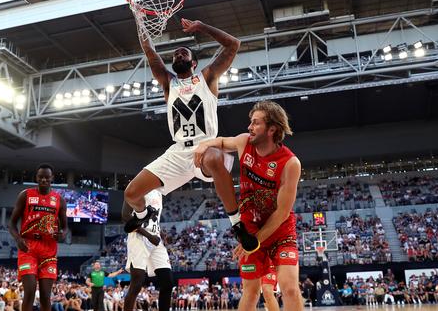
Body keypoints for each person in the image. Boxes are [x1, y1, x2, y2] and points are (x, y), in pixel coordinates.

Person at [123, 16, 258, 253]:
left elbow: (233, 44)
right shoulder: (168, 83)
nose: (178, 56)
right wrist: (139, 20)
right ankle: (145, 214)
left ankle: (237, 225)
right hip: (177, 151)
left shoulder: (207, 77)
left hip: (207, 145)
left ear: (194, 62)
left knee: (214, 158)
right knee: (131, 193)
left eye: (183, 53)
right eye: (175, 55)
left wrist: (202, 27)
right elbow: (149, 50)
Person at [194, 100, 302, 311]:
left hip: (279, 231)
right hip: (249, 226)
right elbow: (224, 142)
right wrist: (205, 144)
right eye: (250, 122)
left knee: (289, 288)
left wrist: (253, 241)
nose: (249, 127)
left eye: (255, 123)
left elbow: (281, 213)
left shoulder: (290, 163)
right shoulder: (244, 142)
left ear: (272, 129)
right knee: (251, 291)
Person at [8, 163, 67, 311]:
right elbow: (12, 223)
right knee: (30, 291)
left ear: (52, 178)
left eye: (47, 177)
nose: (44, 180)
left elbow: (65, 228)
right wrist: (17, 239)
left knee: (46, 295)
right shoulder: (25, 195)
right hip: (28, 247)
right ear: (36, 177)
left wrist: (63, 235)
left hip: (49, 249)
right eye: (41, 177)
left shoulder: (59, 200)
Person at [121, 194, 173, 311]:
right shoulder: (137, 186)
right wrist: (149, 235)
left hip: (155, 239)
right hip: (138, 237)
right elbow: (125, 216)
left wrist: (162, 235)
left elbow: (153, 222)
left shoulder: (159, 192)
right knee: (137, 284)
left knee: (167, 282)